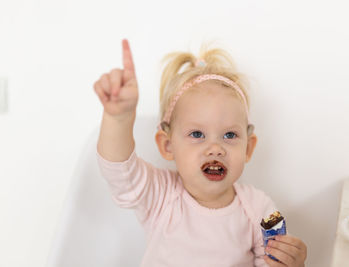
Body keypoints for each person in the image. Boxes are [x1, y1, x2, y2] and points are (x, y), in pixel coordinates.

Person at [93, 39, 307, 267]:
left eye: (229, 135)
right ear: (167, 146)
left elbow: (275, 259)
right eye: (197, 134)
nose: (215, 148)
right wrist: (119, 118)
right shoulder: (160, 195)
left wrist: (290, 262)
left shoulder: (264, 209)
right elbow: (120, 172)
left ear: (248, 148)